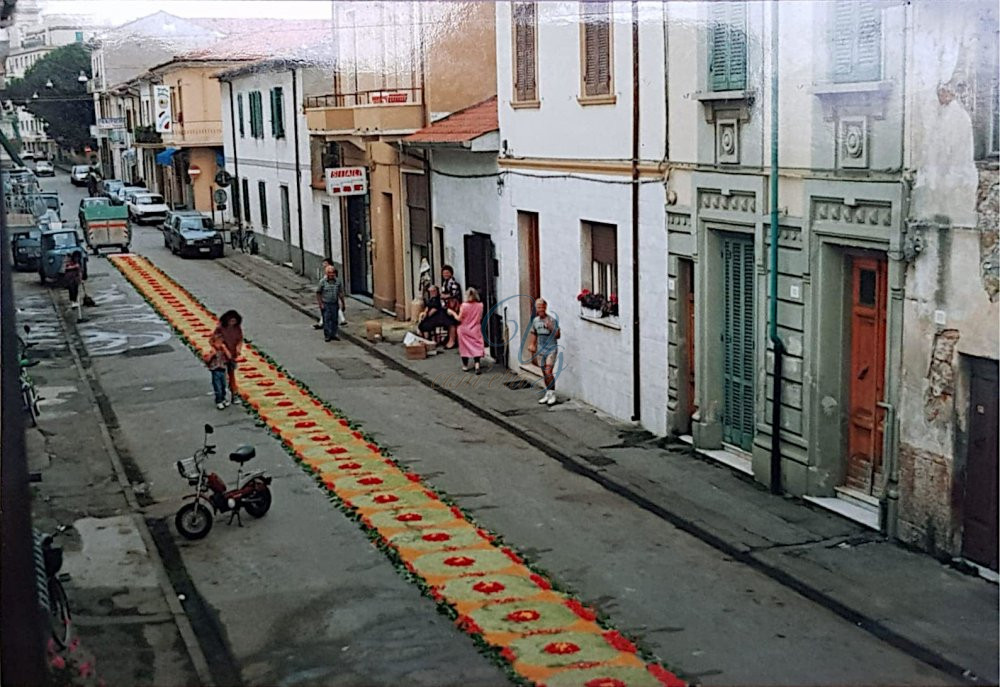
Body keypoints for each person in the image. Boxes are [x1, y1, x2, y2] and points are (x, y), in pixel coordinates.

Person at [527, 298, 561, 406]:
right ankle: (548, 392)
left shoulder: (551, 320)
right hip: (541, 349)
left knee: (548, 371)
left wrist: (550, 327)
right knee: (543, 372)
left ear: (545, 307)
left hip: (551, 348)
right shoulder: (535, 321)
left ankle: (552, 393)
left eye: (542, 307)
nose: (540, 309)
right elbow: (534, 333)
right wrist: (532, 344)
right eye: (538, 307)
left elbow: (558, 335)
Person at [448, 287, 485, 375]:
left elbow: (459, 318)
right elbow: (480, 317)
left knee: (464, 348)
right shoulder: (480, 305)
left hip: (464, 329)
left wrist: (452, 313)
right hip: (475, 328)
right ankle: (477, 365)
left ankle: (465, 366)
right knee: (476, 347)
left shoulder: (464, 306)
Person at [214, 310, 244, 405]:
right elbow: (216, 341)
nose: (232, 323)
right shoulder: (220, 328)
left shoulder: (237, 328)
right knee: (221, 377)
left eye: (234, 321)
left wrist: (238, 348)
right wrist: (225, 350)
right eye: (231, 321)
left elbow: (240, 339)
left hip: (232, 356)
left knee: (232, 376)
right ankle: (221, 397)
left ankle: (234, 395)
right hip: (222, 356)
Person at [316, 264, 345, 342]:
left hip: (334, 303)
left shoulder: (338, 282)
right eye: (329, 273)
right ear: (327, 274)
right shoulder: (322, 282)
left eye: (333, 273)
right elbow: (318, 293)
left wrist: (343, 303)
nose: (331, 274)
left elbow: (340, 293)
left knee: (335, 319)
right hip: (326, 303)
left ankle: (334, 334)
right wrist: (320, 304)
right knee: (327, 320)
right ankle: (327, 335)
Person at [205, 330, 231, 410]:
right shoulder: (212, 351)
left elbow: (229, 357)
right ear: (213, 343)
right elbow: (206, 360)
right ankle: (218, 401)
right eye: (218, 342)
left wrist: (225, 349)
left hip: (223, 370)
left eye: (221, 342)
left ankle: (223, 398)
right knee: (218, 387)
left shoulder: (223, 351)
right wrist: (212, 355)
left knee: (223, 386)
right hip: (215, 371)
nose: (220, 344)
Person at [440, 265, 461, 349]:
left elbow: (454, 294)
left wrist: (444, 296)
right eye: (444, 273)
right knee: (448, 323)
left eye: (447, 273)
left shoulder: (453, 283)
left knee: (452, 323)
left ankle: (452, 341)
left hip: (452, 307)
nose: (445, 274)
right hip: (446, 306)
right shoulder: (445, 283)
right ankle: (450, 339)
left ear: (451, 274)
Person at [313, 257, 333, 330]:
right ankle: (322, 322)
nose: (323, 264)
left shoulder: (330, 271)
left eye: (325, 263)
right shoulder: (326, 272)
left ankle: (323, 323)